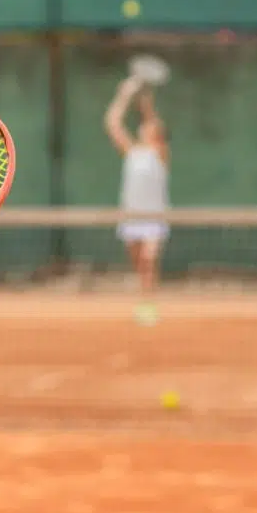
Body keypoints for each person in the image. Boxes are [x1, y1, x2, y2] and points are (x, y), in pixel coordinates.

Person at [104, 75, 169, 326]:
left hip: (154, 218)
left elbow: (153, 122)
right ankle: (144, 301)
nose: (145, 128)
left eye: (150, 128)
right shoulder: (132, 152)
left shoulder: (160, 154)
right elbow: (112, 123)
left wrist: (147, 104)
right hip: (131, 217)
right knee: (139, 264)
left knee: (149, 260)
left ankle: (149, 305)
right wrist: (124, 93)